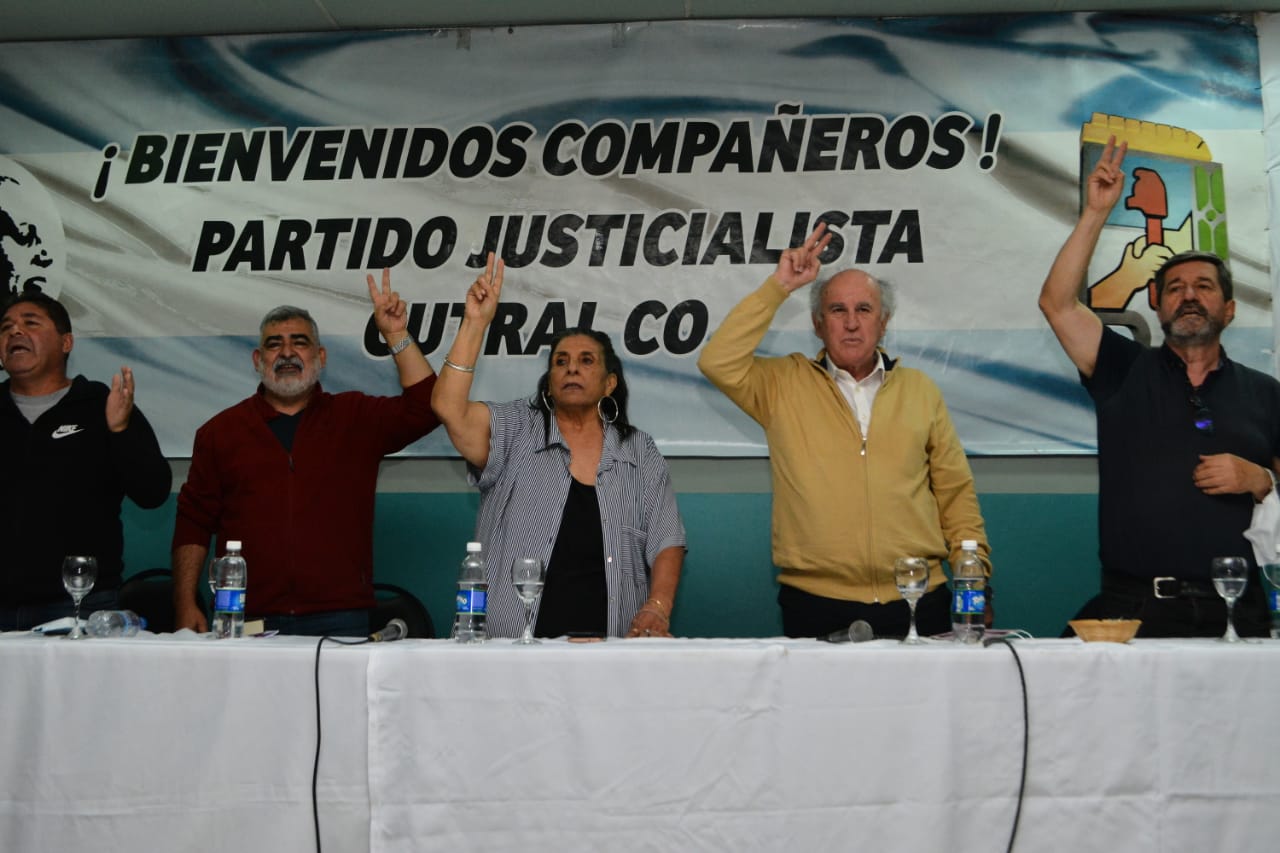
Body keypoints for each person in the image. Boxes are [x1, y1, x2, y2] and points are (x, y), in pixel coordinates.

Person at [698, 223, 990, 638]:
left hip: (919, 597)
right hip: (816, 603)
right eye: (837, 311)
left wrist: (974, 580)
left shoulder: (920, 390)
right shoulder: (782, 385)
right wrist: (780, 286)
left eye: (864, 310)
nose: (851, 323)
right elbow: (717, 360)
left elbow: (955, 492)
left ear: (883, 322)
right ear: (818, 325)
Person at [1039, 136, 1279, 637]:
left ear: (1230, 309)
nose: (1188, 295)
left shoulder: (1265, 392)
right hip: (1135, 606)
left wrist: (1261, 480)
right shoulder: (1121, 368)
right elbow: (1057, 304)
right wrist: (1096, 212)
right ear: (1156, 305)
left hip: (1238, 610)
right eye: (1174, 288)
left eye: (1204, 287)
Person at [171, 271, 441, 636]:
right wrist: (185, 601)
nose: (286, 353)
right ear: (257, 359)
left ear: (320, 356)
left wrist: (395, 335)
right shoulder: (220, 433)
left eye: (299, 342)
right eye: (274, 345)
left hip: (339, 615)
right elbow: (193, 522)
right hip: (246, 617)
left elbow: (427, 407)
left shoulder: (355, 417)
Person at [431, 254, 686, 638]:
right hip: (512, 647)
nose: (571, 368)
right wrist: (475, 324)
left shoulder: (639, 452)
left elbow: (667, 540)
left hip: (608, 647)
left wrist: (658, 606)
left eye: (586, 361)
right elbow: (447, 407)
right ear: (550, 383)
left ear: (609, 383)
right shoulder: (516, 429)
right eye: (560, 361)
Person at [0, 289, 171, 630]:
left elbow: (153, 492)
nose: (15, 331)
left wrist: (120, 431)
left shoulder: (100, 405)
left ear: (66, 342)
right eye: (6, 328)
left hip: (81, 602)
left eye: (30, 323)